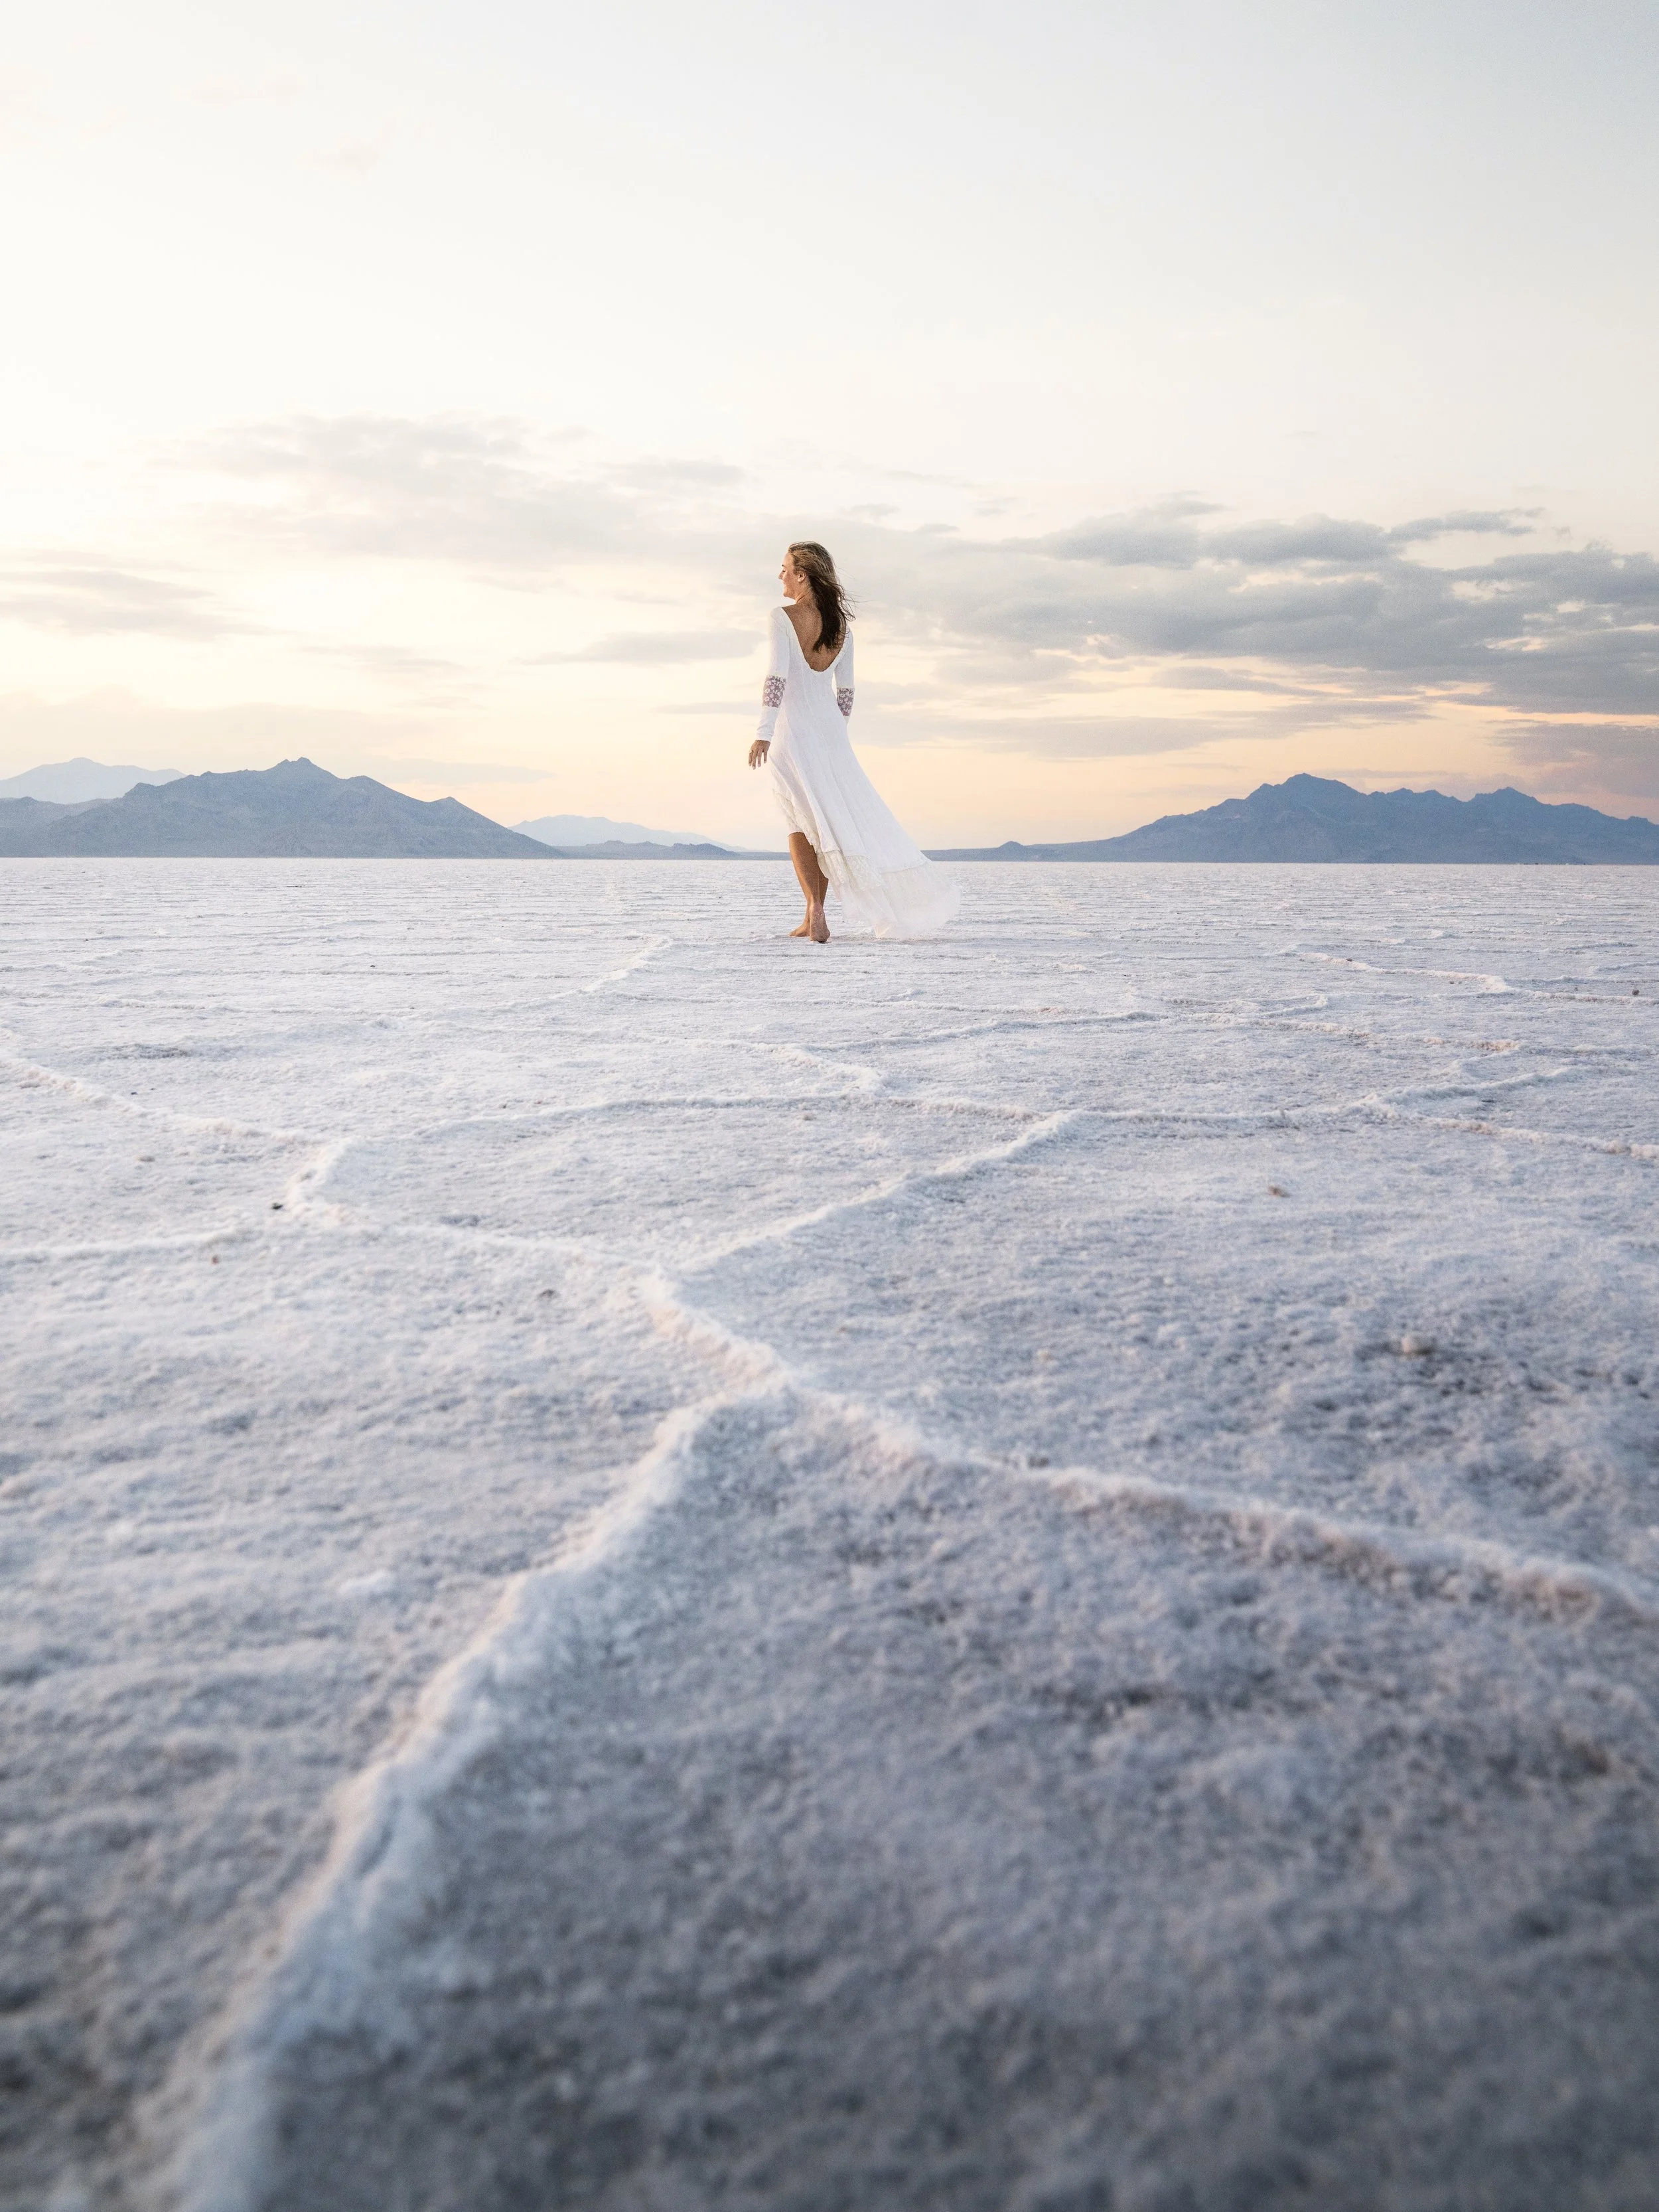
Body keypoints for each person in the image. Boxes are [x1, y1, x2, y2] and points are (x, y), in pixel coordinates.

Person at [748, 543, 959, 942]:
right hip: (830, 736)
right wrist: (835, 737)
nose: (781, 576)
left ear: (803, 575)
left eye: (785, 569)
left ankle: (815, 910)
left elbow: (776, 678)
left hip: (792, 735)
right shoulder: (842, 627)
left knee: (799, 821)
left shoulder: (781, 618)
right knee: (827, 818)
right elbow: (846, 692)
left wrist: (763, 732)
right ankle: (815, 914)